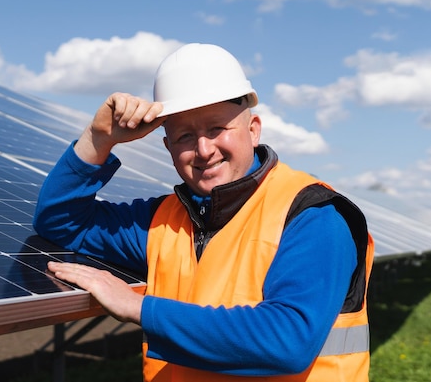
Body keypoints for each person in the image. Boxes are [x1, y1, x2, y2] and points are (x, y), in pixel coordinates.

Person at [33, 43, 374, 381]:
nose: (203, 150)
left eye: (216, 129)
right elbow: (61, 222)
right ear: (167, 146)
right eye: (184, 136)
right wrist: (98, 139)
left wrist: (137, 307)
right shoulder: (164, 221)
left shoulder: (312, 216)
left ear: (253, 129)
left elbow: (288, 340)